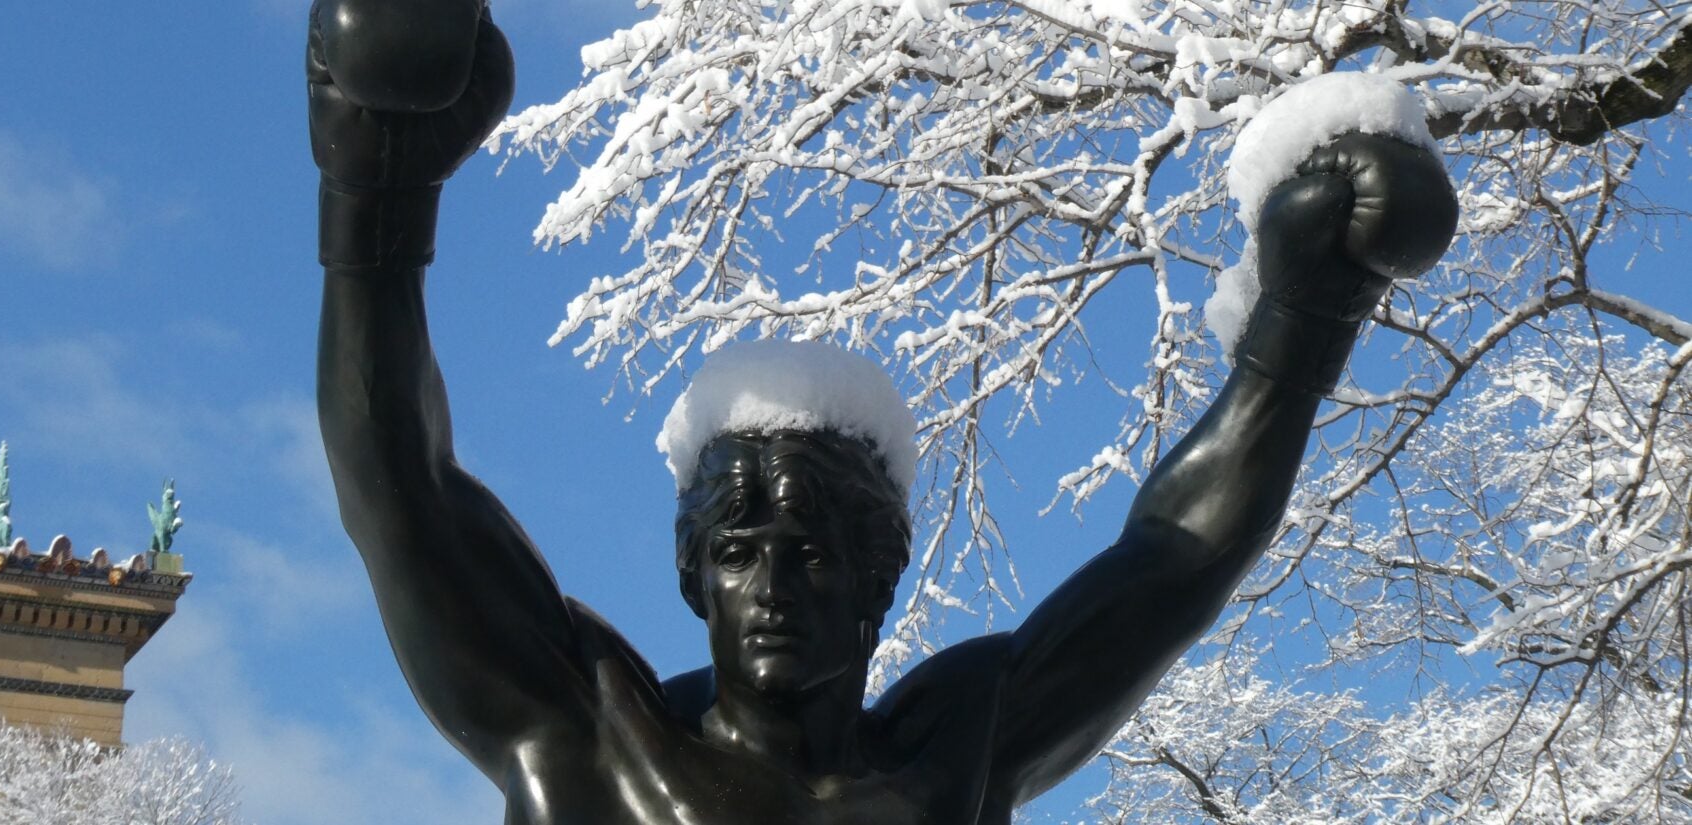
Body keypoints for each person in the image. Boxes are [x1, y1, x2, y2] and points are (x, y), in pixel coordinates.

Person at [308, 1, 1457, 822]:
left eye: (807, 554)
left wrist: (1298, 331)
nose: (767, 589)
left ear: (875, 579)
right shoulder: (594, 739)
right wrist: (374, 203)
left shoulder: (944, 762)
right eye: (738, 553)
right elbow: (397, 488)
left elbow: (1168, 567)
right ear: (691, 576)